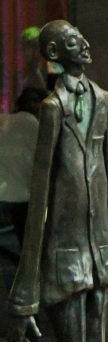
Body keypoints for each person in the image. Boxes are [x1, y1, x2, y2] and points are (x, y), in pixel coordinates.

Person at [5, 21, 108, 342]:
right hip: (64, 259)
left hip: (101, 258)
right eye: (70, 41)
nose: (82, 44)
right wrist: (25, 297)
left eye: (80, 37)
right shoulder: (51, 108)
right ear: (53, 55)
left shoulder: (104, 101)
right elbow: (39, 203)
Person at [0, 87, 47, 246]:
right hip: (23, 198)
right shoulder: (32, 124)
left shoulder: (5, 121)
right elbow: (44, 161)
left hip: (4, 193)